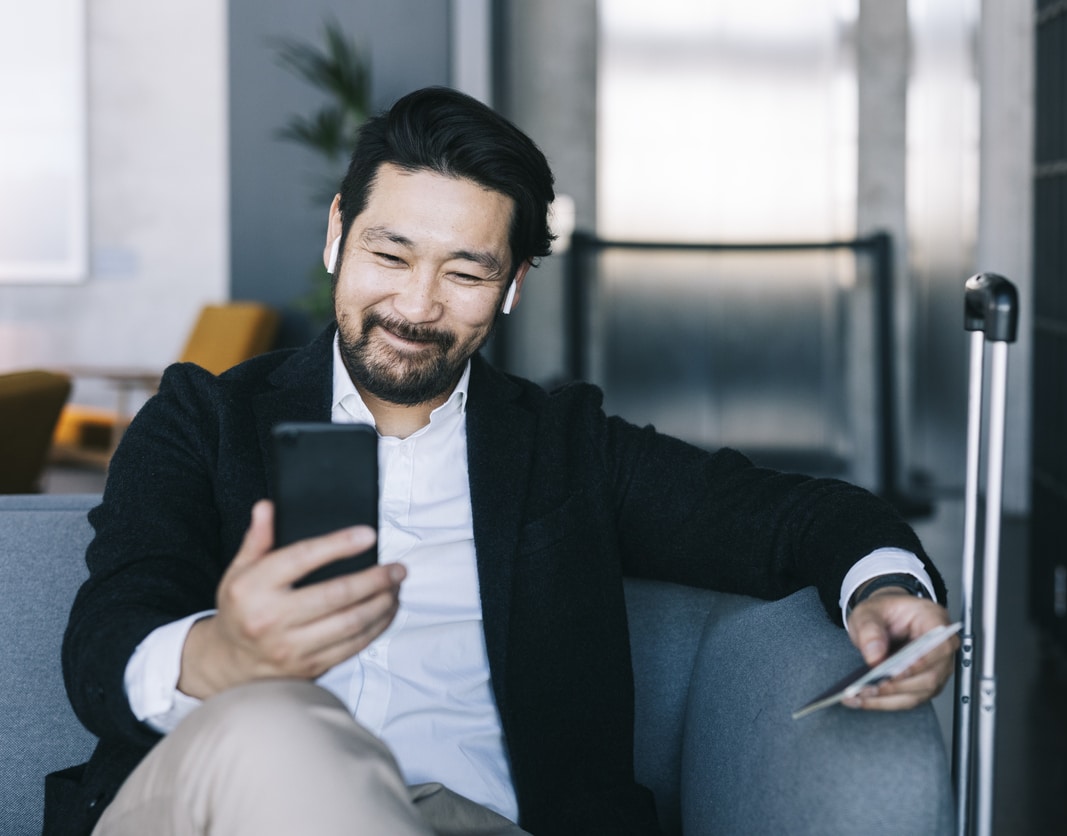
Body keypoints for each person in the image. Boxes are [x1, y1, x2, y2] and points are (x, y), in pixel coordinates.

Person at [50, 86, 956, 836]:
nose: (415, 304)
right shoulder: (205, 419)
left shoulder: (563, 449)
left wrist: (884, 588)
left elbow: (797, 518)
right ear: (337, 233)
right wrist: (225, 655)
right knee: (281, 722)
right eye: (389, 253)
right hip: (217, 802)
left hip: (480, 822)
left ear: (514, 285)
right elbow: (105, 639)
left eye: (466, 273)